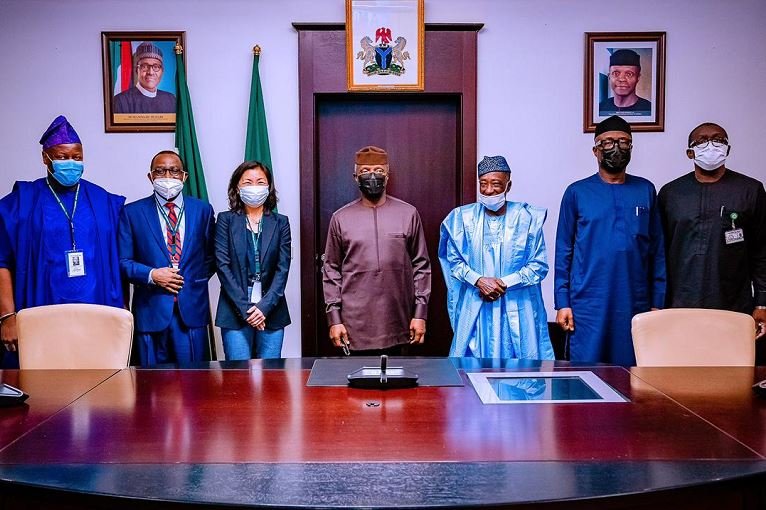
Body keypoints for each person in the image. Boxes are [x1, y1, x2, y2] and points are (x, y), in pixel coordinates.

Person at [0, 115, 125, 366]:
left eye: (77, 157)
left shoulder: (103, 201)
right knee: (45, 393)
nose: (71, 163)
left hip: (96, 313)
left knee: (97, 394)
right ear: (45, 158)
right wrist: (7, 317)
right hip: (40, 312)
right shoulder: (21, 203)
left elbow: (122, 261)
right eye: (63, 157)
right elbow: (2, 262)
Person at [554, 115, 665, 365]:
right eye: (608, 142)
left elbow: (657, 251)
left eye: (624, 142)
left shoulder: (645, 190)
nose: (616, 148)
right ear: (595, 150)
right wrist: (563, 302)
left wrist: (658, 302)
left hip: (635, 300)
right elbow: (564, 251)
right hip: (588, 302)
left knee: (632, 375)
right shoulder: (577, 192)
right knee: (586, 371)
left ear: (631, 149)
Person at [658, 122, 766, 346]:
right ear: (690, 152)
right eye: (701, 140)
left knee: (731, 373)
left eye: (718, 139)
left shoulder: (750, 190)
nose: (711, 145)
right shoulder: (671, 193)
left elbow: (762, 252)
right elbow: (658, 253)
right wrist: (656, 301)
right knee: (681, 371)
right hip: (680, 302)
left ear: (727, 149)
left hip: (732, 303)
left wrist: (762, 303)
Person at [438, 155, 554, 359]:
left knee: (523, 368)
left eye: (496, 184)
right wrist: (479, 280)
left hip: (517, 304)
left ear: (509, 186)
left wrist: (503, 283)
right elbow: (453, 261)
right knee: (471, 368)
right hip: (476, 304)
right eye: (483, 184)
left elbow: (538, 265)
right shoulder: (461, 219)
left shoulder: (527, 218)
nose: (489, 190)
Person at [322, 145, 431, 355]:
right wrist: (334, 318)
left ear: (387, 176)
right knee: (356, 385)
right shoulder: (340, 218)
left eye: (379, 171)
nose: (372, 176)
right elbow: (331, 270)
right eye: (365, 171)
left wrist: (420, 313)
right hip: (353, 323)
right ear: (355, 177)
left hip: (400, 319)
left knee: (401, 384)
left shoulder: (408, 213)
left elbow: (422, 266)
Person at [118, 151, 216, 365]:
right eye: (160, 171)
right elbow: (122, 263)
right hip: (150, 312)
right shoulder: (131, 212)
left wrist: (188, 280)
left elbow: (211, 257)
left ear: (184, 176)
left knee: (195, 388)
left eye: (174, 171)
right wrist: (153, 275)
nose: (168, 176)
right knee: (151, 390)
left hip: (191, 312)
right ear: (150, 176)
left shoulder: (203, 210)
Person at [215, 161, 291, 359]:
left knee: (270, 376)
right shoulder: (225, 220)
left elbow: (282, 269)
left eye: (260, 182)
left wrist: (264, 308)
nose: (254, 187)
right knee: (239, 377)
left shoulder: (280, 222)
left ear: (269, 187)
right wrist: (247, 309)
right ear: (237, 188)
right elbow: (222, 267)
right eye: (248, 182)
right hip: (235, 306)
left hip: (271, 306)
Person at [113, 42, 176, 114]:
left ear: (162, 71)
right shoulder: (120, 101)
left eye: (156, 67)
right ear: (137, 70)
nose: (151, 72)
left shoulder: (171, 99)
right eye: (145, 66)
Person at [598, 49, 651, 116]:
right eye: (616, 73)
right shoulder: (600, 109)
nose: (622, 79)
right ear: (609, 76)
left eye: (629, 74)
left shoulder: (649, 110)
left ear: (638, 77)